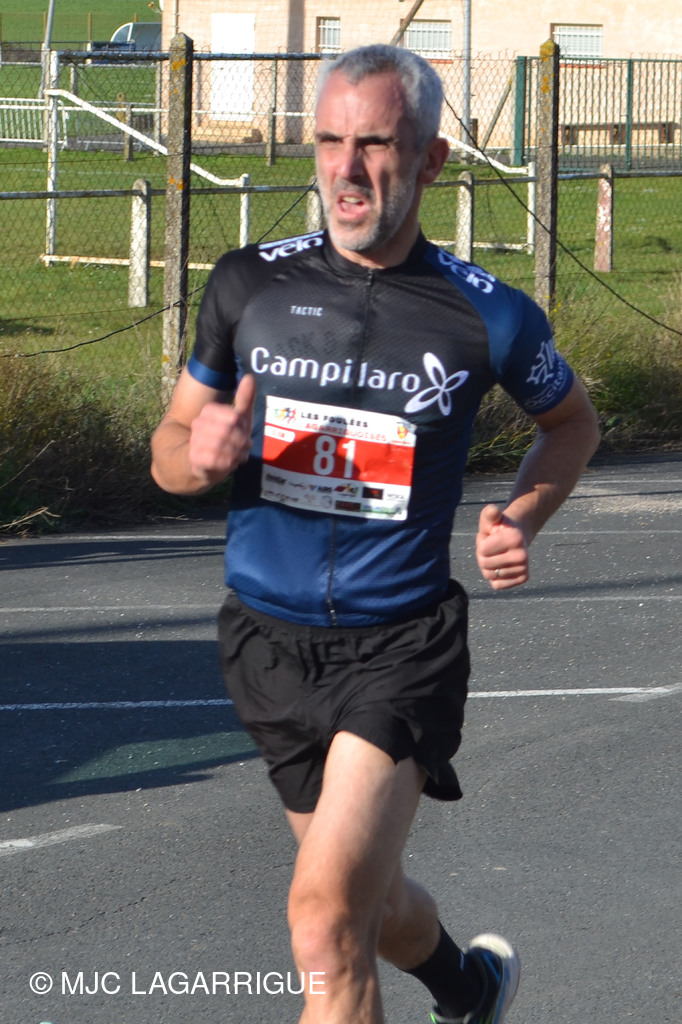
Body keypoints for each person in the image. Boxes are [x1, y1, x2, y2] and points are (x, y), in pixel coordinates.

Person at [151, 43, 600, 1024]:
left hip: (400, 647)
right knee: (366, 901)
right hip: (266, 644)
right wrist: (201, 457)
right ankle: (468, 988)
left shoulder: (486, 315)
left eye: (375, 145)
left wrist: (522, 512)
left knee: (322, 921)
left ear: (431, 159)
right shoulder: (247, 285)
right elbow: (170, 448)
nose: (346, 169)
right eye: (329, 141)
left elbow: (571, 424)